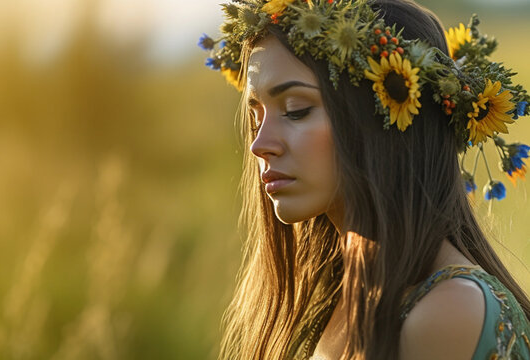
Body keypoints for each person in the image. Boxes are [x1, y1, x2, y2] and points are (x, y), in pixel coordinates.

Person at [198, 0, 530, 359]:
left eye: (296, 110)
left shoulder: (449, 312)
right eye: (255, 117)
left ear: (384, 116)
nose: (259, 145)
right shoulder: (338, 295)